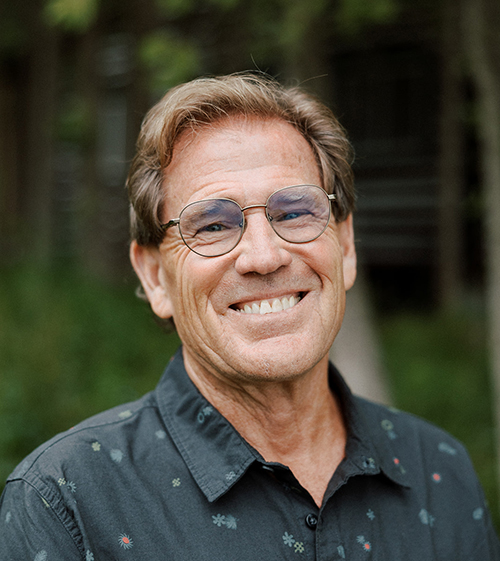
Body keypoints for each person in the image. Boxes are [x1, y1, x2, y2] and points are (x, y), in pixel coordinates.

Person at [0, 73, 498, 560]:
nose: (264, 256)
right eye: (213, 225)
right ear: (154, 277)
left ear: (345, 246)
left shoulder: (439, 472)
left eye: (294, 212)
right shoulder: (65, 504)